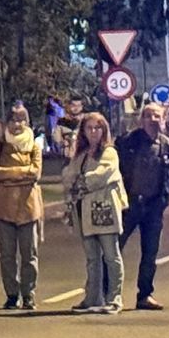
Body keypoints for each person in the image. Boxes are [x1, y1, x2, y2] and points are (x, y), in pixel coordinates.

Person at [116, 102, 169, 312]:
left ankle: (145, 295)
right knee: (114, 250)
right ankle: (108, 292)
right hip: (129, 205)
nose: (153, 120)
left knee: (150, 253)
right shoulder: (127, 142)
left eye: (157, 116)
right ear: (141, 120)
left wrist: (163, 201)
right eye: (149, 116)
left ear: (163, 120)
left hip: (153, 207)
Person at [0, 101, 43, 311]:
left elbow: (35, 173)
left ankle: (29, 294)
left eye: (22, 120)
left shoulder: (34, 146)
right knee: (7, 254)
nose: (17, 124)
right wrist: (21, 173)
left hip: (28, 207)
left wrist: (8, 175)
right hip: (3, 207)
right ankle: (12, 294)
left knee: (30, 254)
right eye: (13, 120)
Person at [66, 112, 127, 314]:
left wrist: (80, 181)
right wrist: (76, 182)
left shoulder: (109, 153)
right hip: (84, 211)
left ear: (104, 130)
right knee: (92, 258)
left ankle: (114, 298)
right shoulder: (82, 155)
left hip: (105, 210)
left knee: (111, 256)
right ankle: (93, 298)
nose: (93, 132)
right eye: (89, 128)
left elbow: (101, 175)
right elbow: (67, 175)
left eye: (97, 128)